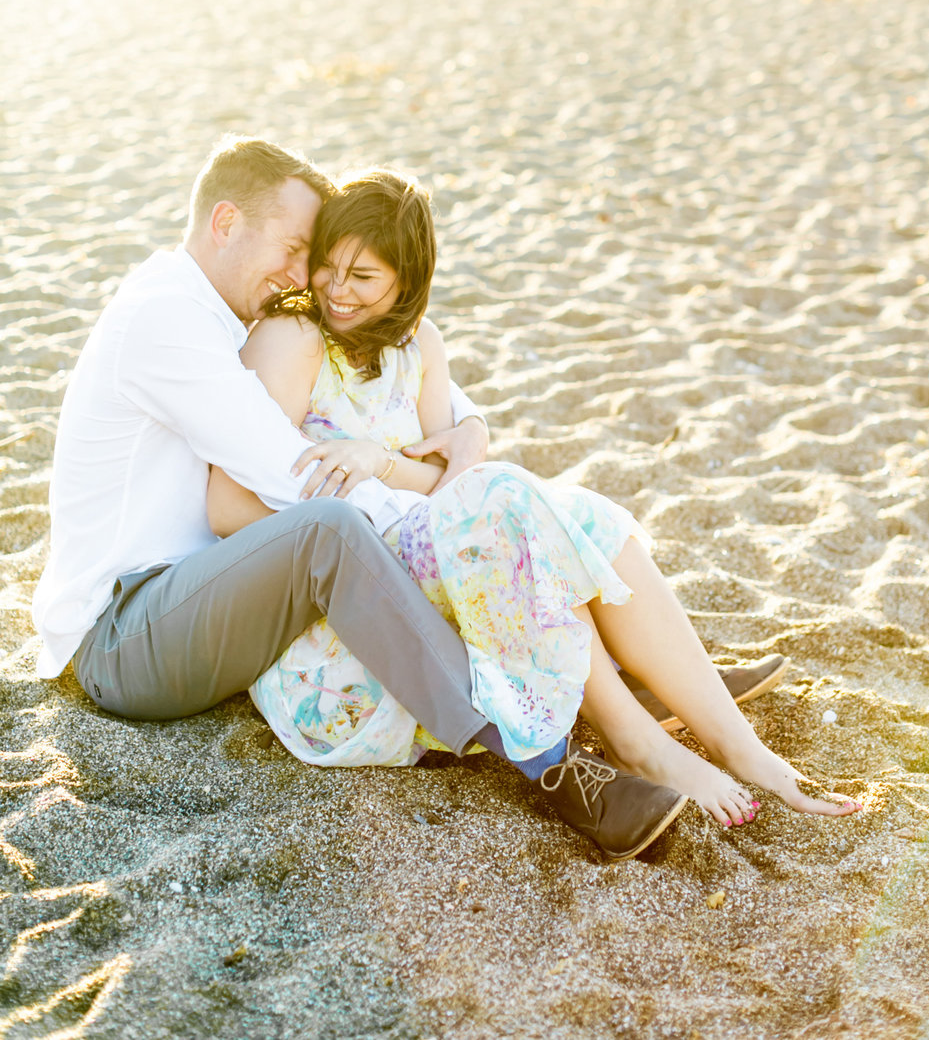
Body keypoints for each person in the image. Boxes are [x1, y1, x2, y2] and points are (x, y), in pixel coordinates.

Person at [32, 134, 693, 862]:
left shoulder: (222, 311)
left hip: (203, 597)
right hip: (126, 633)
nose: (302, 275)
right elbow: (293, 471)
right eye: (290, 249)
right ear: (225, 223)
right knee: (335, 528)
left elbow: (393, 374)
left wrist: (467, 428)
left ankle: (611, 683)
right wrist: (444, 510)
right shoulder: (165, 319)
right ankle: (545, 761)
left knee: (420, 523)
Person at [208, 168, 861, 829]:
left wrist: (381, 463)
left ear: (406, 284)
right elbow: (229, 510)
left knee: (586, 515)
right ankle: (633, 735)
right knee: (512, 500)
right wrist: (384, 485)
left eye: (363, 277)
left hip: (436, 592)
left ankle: (741, 748)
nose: (336, 290)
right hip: (346, 647)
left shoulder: (419, 346)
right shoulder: (291, 342)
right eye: (329, 267)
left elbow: (452, 491)